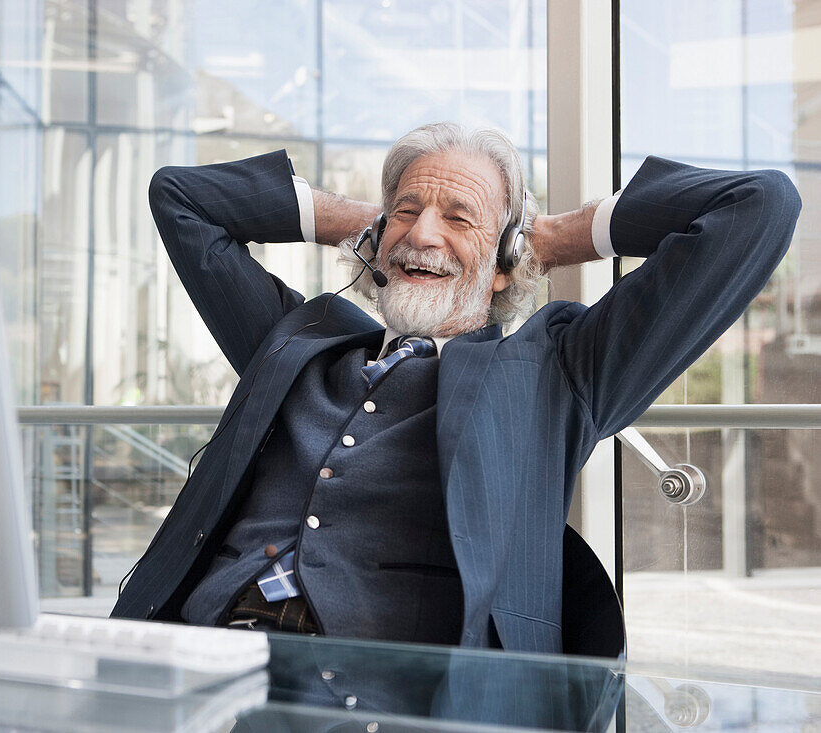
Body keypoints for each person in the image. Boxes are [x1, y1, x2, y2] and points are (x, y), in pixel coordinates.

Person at [111, 122, 800, 657]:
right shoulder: (297, 339)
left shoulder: (558, 370)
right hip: (201, 654)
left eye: (460, 217)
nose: (424, 233)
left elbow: (760, 205)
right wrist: (375, 226)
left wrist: (554, 237)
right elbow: (181, 197)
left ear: (504, 262)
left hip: (390, 695)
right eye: (405, 211)